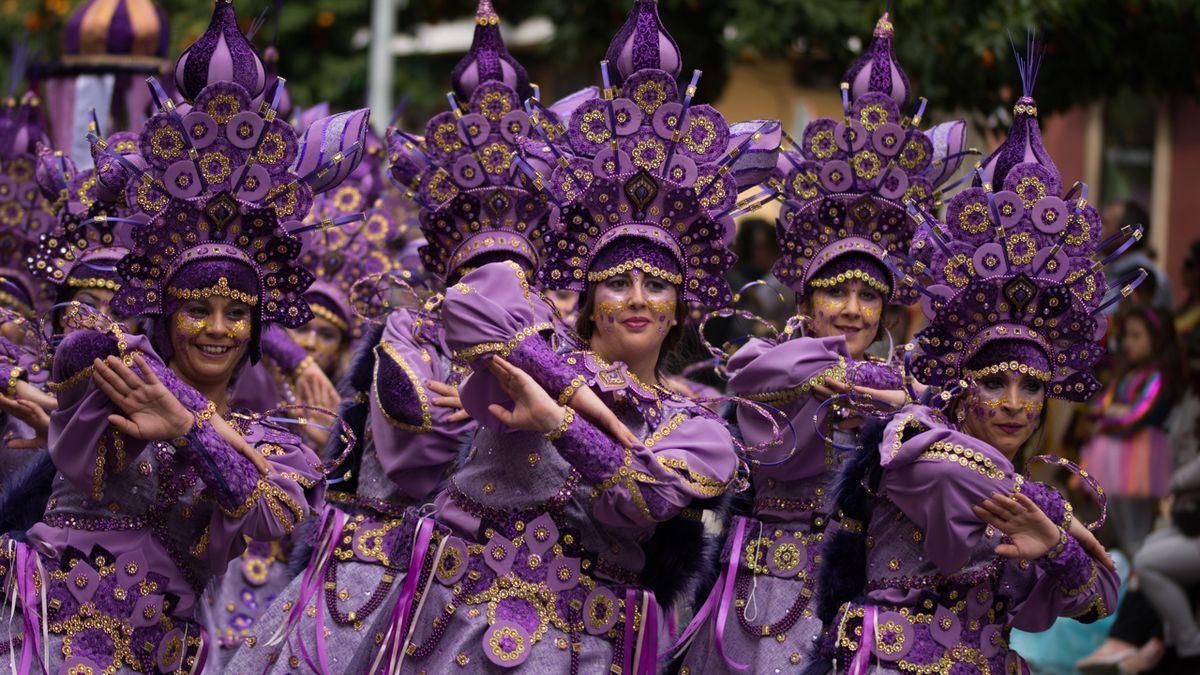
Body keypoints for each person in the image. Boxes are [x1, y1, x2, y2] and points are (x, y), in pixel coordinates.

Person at [394, 1, 780, 670]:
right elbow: (465, 306)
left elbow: (646, 498)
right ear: (589, 296)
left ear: (679, 307)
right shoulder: (532, 345)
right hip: (453, 631)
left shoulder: (696, 422)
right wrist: (565, 379)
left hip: (582, 649)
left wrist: (555, 421)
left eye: (655, 284)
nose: (635, 298)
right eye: (616, 282)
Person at [0, 0, 371, 668]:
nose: (218, 328)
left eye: (238, 313)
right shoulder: (114, 374)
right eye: (197, 307)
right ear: (162, 311)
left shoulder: (272, 443)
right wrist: (192, 406)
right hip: (45, 638)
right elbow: (80, 346)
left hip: (163, 652)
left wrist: (189, 425)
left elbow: (277, 510)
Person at [225, 1, 559, 671]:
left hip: (498, 606)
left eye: (514, 275)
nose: (495, 292)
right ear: (448, 272)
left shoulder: (558, 341)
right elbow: (415, 442)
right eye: (478, 274)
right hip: (371, 592)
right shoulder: (411, 328)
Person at [812, 42, 1122, 674]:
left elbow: (1101, 598)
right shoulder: (915, 440)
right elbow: (964, 481)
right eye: (994, 383)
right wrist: (1056, 525)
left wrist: (1057, 546)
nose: (1012, 404)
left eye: (1030, 387)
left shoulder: (1027, 496)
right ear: (960, 383)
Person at [678, 10, 970, 672]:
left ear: (888, 308)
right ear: (805, 299)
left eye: (868, 295)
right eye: (834, 292)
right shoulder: (767, 362)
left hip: (851, 607)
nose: (849, 309)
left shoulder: (912, 393)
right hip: (751, 604)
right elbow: (755, 381)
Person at [1081, 305, 1183, 555]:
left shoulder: (1157, 376)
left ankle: (1138, 573)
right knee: (1117, 522)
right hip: (1113, 455)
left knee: (1136, 528)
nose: (1127, 342)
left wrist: (1110, 415)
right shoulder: (1127, 374)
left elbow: (1137, 415)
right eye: (1126, 335)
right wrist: (1111, 412)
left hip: (1140, 456)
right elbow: (1097, 406)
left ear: (1156, 340)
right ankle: (1128, 572)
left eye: (1136, 336)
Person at [1101, 200, 1172, 311]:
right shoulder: (1109, 271)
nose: (1097, 229)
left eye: (1105, 223)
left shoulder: (1146, 277)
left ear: (1127, 234)